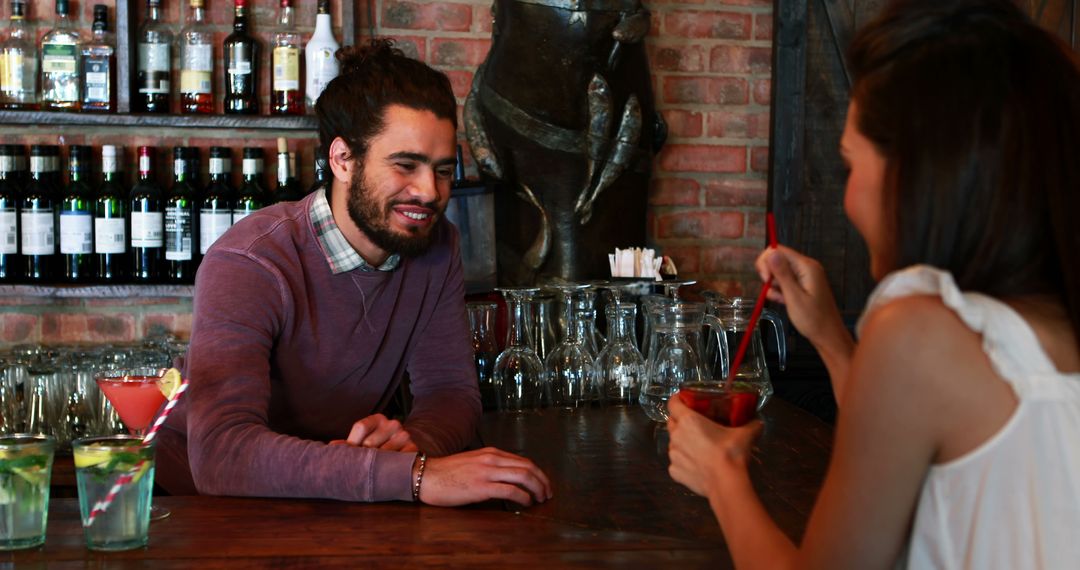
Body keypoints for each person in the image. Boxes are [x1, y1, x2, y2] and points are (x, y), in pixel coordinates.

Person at [666, 1, 1080, 567]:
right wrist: (832, 338)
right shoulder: (1032, 331)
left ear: (914, 177)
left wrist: (722, 476)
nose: (847, 197)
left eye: (849, 165)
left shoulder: (918, 327)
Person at [156, 40, 552, 507]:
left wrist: (413, 445)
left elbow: (448, 390)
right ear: (343, 160)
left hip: (340, 497)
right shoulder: (250, 261)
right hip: (205, 505)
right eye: (406, 165)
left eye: (443, 171)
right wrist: (414, 475)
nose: (429, 192)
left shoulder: (437, 245)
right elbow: (222, 453)